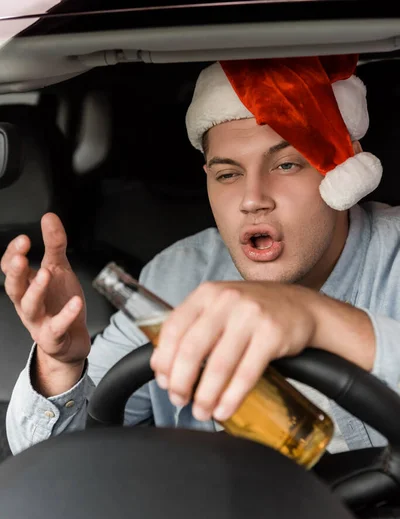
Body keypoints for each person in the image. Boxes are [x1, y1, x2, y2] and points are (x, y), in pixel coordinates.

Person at [3, 54, 400, 456]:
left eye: (286, 164)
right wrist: (59, 367)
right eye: (228, 174)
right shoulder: (177, 277)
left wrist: (319, 320)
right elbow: (55, 462)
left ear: (341, 168)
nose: (252, 200)